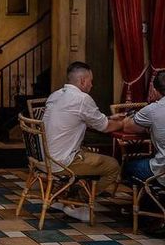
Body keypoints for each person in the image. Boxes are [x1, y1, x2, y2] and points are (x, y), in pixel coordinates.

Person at [42, 61, 125, 219]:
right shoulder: (82, 99)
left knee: (87, 151)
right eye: (91, 81)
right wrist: (123, 123)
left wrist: (108, 119)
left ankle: (59, 195)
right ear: (83, 81)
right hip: (62, 161)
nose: (92, 85)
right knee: (113, 166)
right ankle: (76, 200)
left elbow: (86, 118)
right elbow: (105, 127)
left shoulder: (56, 94)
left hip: (44, 158)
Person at [120, 71, 165, 186]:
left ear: (154, 90)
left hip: (161, 172)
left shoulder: (153, 109)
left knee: (127, 168)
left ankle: (150, 199)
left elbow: (127, 127)